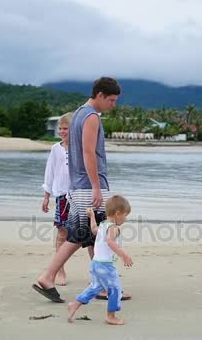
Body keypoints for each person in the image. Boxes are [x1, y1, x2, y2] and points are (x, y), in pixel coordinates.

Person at [33, 77, 124, 303]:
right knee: (79, 237)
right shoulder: (91, 117)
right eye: (111, 100)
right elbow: (88, 153)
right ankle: (48, 276)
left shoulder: (78, 114)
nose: (113, 104)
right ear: (100, 95)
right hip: (87, 186)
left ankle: (101, 285)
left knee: (92, 237)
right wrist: (96, 186)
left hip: (78, 185)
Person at [67, 195, 132, 325]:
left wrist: (91, 217)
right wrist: (123, 254)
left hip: (96, 263)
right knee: (115, 289)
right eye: (125, 215)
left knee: (95, 287)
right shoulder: (113, 228)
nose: (126, 218)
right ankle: (111, 316)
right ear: (118, 213)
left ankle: (75, 304)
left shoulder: (103, 225)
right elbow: (110, 241)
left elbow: (93, 230)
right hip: (105, 266)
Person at [41, 112, 72, 286]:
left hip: (78, 196)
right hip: (61, 196)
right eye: (60, 128)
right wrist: (46, 197)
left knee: (86, 235)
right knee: (62, 233)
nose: (61, 131)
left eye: (65, 128)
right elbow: (49, 173)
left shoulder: (80, 148)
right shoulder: (55, 148)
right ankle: (60, 270)